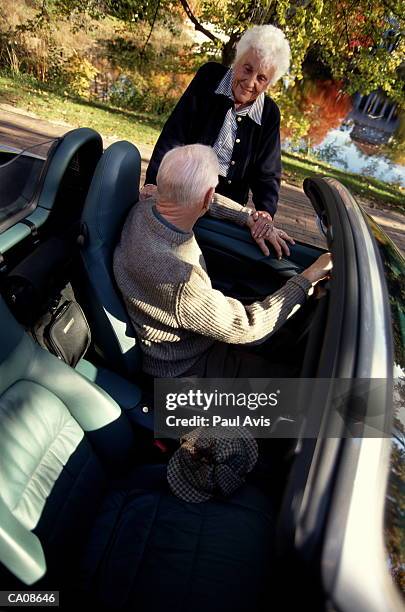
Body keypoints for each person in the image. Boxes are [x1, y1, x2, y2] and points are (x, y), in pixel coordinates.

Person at [113, 144, 332, 378]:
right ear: (205, 197)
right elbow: (248, 327)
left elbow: (205, 198)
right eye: (211, 191)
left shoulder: (145, 208)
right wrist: (309, 277)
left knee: (289, 344)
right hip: (185, 370)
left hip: (193, 339)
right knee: (297, 387)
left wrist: (247, 216)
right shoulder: (179, 278)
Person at [141, 24, 292, 257]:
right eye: (247, 68)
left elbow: (268, 172)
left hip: (228, 205)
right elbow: (175, 133)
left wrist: (265, 212)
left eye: (261, 78)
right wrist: (153, 181)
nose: (250, 82)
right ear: (236, 60)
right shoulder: (209, 77)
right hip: (185, 189)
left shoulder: (269, 113)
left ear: (270, 83)